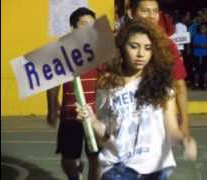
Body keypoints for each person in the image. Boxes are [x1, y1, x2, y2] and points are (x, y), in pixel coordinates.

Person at [75, 17, 197, 180]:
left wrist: (184, 140)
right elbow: (105, 139)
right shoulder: (107, 83)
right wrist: (92, 121)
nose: (141, 54)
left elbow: (171, 129)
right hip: (118, 169)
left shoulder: (162, 84)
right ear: (122, 47)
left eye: (147, 48)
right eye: (134, 46)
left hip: (156, 169)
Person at [126, 0, 193, 143]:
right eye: (145, 11)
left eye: (155, 11)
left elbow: (179, 86)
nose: (151, 16)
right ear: (131, 13)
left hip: (157, 122)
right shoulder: (118, 43)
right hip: (124, 119)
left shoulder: (168, 46)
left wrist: (184, 122)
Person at [46, 7, 99, 180]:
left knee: (96, 158)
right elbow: (52, 83)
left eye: (92, 25)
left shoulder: (103, 52)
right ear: (73, 27)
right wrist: (52, 109)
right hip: (70, 115)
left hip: (96, 116)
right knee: (68, 162)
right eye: (84, 24)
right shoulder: (61, 52)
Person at [191, 23, 207, 90]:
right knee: (196, 71)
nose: (203, 29)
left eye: (204, 28)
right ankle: (196, 84)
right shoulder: (195, 36)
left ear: (206, 29)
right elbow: (194, 45)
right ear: (199, 29)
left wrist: (199, 46)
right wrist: (202, 46)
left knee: (205, 71)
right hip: (196, 55)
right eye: (202, 28)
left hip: (205, 56)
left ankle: (205, 85)